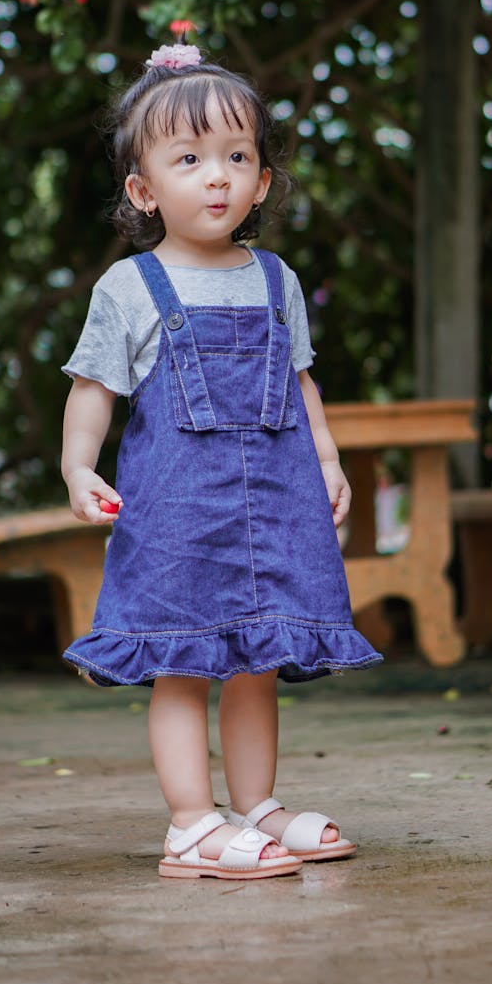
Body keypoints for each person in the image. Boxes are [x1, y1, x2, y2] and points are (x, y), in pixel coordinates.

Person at [61, 43, 381, 881]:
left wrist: (329, 457)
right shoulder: (131, 287)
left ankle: (259, 803)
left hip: (275, 503)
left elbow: (299, 380)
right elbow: (93, 386)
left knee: (256, 661)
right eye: (190, 158)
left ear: (262, 182)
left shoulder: (276, 280)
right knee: (182, 660)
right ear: (143, 189)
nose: (218, 177)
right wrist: (77, 466)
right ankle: (191, 821)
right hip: (177, 514)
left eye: (238, 157)